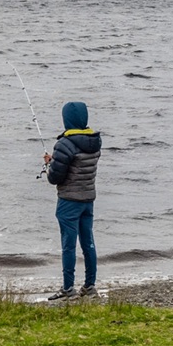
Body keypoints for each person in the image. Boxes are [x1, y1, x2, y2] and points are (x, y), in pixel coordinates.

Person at [43, 101, 102, 300]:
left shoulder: (64, 144)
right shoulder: (95, 141)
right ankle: (90, 286)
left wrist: (50, 165)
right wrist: (56, 161)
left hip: (69, 201)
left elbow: (55, 178)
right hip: (88, 199)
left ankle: (68, 289)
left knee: (69, 245)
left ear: (67, 119)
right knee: (88, 243)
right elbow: (78, 167)